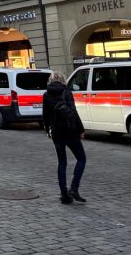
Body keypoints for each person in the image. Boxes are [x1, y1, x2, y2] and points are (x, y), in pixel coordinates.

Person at [43, 71, 86, 205]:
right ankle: (74, 188)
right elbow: (73, 112)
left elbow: (45, 116)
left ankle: (64, 195)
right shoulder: (66, 91)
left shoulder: (46, 94)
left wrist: (47, 130)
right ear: (63, 80)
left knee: (62, 163)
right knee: (81, 158)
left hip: (57, 132)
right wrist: (81, 129)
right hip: (70, 131)